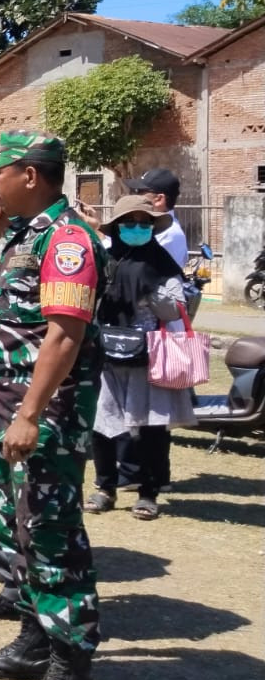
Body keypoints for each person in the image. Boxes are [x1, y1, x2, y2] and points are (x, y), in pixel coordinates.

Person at [0, 131, 104, 680]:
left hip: (45, 420)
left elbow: (64, 336)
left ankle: (73, 673)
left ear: (31, 175)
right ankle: (34, 639)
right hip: (5, 411)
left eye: (1, 172)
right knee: (16, 529)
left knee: (51, 535)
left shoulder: (68, 241)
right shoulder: (21, 235)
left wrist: (29, 413)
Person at [86, 195, 193, 521]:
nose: (137, 228)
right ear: (118, 227)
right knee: (102, 424)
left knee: (151, 428)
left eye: (144, 224)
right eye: (130, 223)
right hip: (106, 354)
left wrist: (152, 291)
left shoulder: (162, 263)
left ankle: (148, 492)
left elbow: (176, 307)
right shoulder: (104, 259)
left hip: (149, 356)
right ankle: (105, 487)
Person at [125, 167, 187, 268]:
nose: (135, 196)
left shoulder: (169, 233)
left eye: (140, 191)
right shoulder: (152, 225)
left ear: (159, 199)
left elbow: (135, 267)